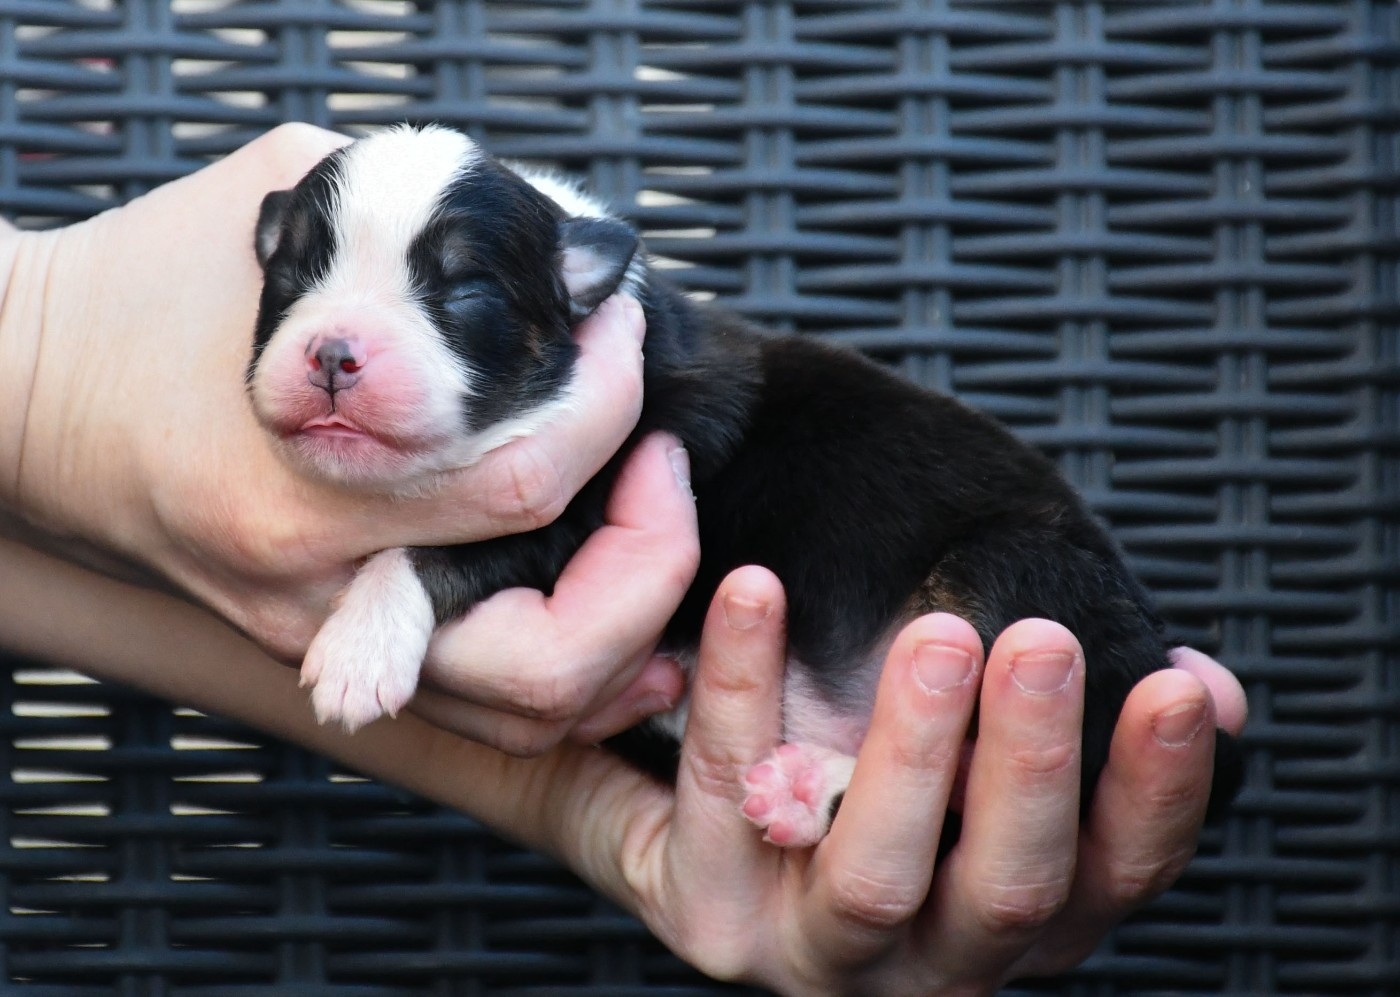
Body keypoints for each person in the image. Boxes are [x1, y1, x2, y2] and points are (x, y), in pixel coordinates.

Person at [0, 123, 1246, 996]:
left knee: (1037, 646)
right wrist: (40, 347)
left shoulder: (648, 374)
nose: (339, 339)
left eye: (454, 292)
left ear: (580, 299)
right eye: (306, 271)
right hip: (779, 698)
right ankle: (870, 782)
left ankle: (903, 782)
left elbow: (531, 534)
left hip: (957, 569)